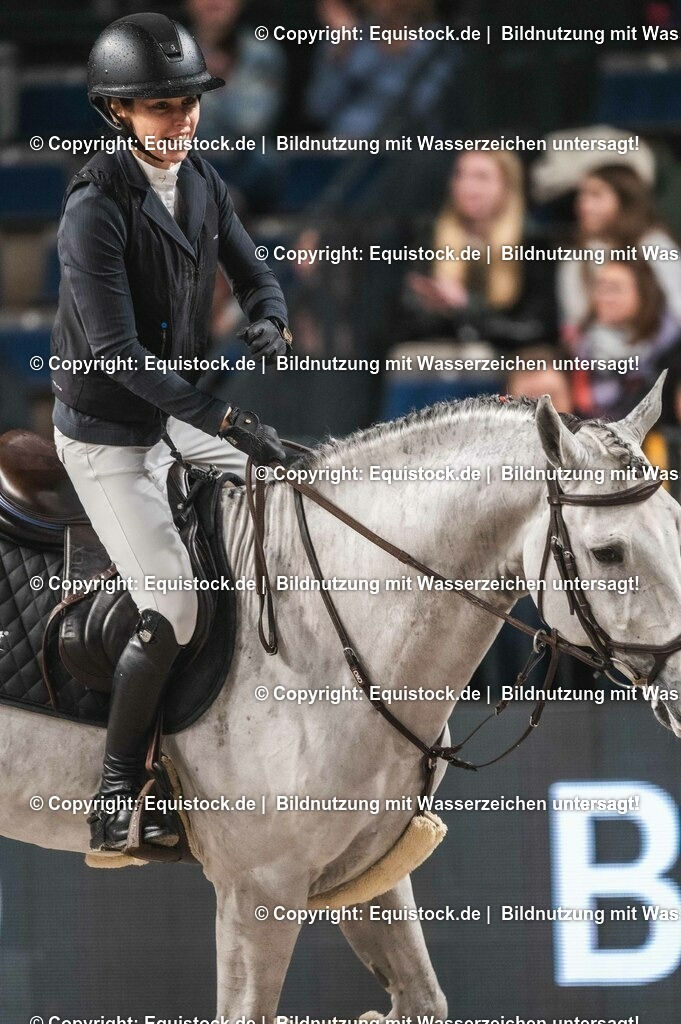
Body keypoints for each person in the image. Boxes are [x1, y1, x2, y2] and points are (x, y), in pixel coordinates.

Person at [51, 12, 293, 853]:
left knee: (287, 496)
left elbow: (255, 271)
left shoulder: (202, 183)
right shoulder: (94, 208)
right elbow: (116, 354)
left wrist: (268, 316)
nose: (179, 120)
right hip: (110, 434)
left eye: (186, 102)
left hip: (176, 414)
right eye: (159, 107)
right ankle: (117, 790)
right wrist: (223, 420)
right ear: (118, 113)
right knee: (174, 602)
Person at [402, 150, 556, 348]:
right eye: (460, 175)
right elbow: (406, 321)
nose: (467, 187)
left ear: (508, 186)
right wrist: (430, 305)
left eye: (481, 177)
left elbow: (537, 329)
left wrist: (466, 306)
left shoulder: (532, 241)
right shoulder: (430, 236)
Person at [557, 164, 681, 340]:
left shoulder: (655, 245)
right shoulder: (579, 255)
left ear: (625, 199)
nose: (584, 205)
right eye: (581, 195)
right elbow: (573, 322)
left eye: (596, 195)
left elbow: (677, 308)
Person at [574, 258, 679, 418]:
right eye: (600, 287)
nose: (604, 297)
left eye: (615, 288)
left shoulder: (672, 353)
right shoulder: (580, 347)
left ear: (644, 293)